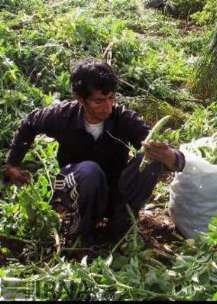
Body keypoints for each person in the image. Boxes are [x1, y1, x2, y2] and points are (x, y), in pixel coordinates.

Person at [3, 58, 185, 247]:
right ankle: (79, 228)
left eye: (111, 98)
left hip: (113, 191)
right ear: (81, 99)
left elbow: (169, 155)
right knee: (90, 171)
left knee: (149, 160)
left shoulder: (123, 119)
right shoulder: (62, 116)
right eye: (99, 101)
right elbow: (29, 123)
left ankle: (120, 223)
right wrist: (13, 164)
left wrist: (169, 156)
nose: (107, 107)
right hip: (73, 187)